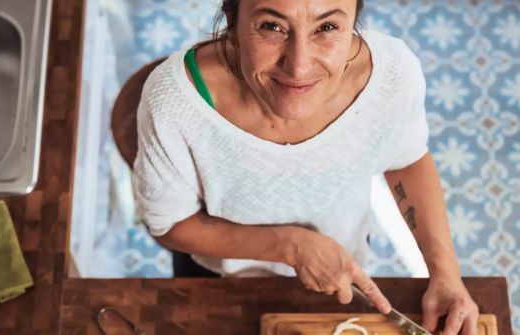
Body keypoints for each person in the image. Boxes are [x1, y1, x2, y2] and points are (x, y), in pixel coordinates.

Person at [131, 0, 479, 334]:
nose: (299, 67)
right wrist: (291, 246)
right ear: (232, 22)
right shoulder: (172, 102)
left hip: (342, 262)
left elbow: (407, 159)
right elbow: (169, 224)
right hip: (219, 276)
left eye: (327, 26)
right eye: (272, 26)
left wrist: (445, 273)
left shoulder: (393, 75)